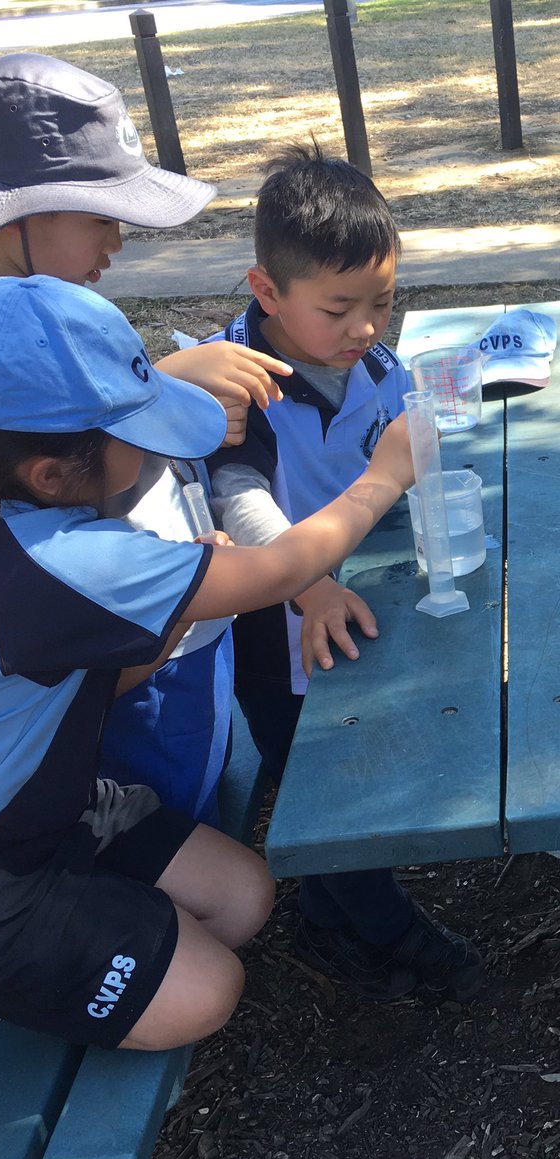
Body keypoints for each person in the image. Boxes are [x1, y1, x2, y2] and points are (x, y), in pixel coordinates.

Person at [0, 274, 414, 1047]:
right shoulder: (65, 557)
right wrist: (387, 475)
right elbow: (283, 570)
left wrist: (164, 610)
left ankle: (82, 925)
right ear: (52, 473)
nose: (157, 449)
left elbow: (74, 679)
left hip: (48, 812)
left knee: (243, 898)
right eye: (138, 433)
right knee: (209, 992)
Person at [0, 50, 296, 829]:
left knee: (215, 791)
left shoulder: (55, 304)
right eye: (102, 218)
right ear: (18, 213)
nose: (118, 244)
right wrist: (167, 377)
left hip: (187, 619)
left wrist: (164, 386)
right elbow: (47, 480)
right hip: (128, 660)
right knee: (163, 826)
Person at [207, 143, 485, 1004]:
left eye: (382, 304)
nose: (366, 327)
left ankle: (331, 914)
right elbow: (237, 498)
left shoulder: (367, 362)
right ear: (267, 293)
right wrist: (307, 584)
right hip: (280, 630)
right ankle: (382, 924)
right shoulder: (242, 390)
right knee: (327, 781)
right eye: (340, 308)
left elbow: (397, 428)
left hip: (357, 595)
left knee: (351, 759)